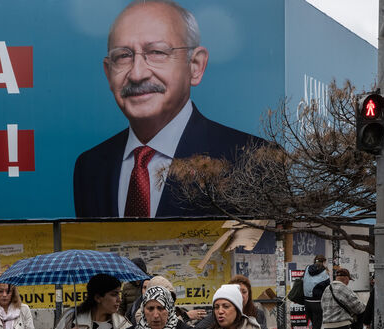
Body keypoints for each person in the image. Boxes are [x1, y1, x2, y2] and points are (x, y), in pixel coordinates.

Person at [73, 0, 265, 218]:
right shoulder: (90, 168)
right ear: (108, 73)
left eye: (156, 52)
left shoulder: (252, 163)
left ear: (195, 66)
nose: (137, 74)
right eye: (123, 56)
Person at [196, 274, 266, 329]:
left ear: (249, 294)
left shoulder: (258, 314)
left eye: (244, 292)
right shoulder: (218, 315)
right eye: (237, 292)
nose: (241, 295)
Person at [303, 254, 330, 329]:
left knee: (312, 325)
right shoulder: (325, 272)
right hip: (317, 303)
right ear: (323, 262)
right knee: (316, 327)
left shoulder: (307, 269)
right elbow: (328, 288)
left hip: (307, 302)